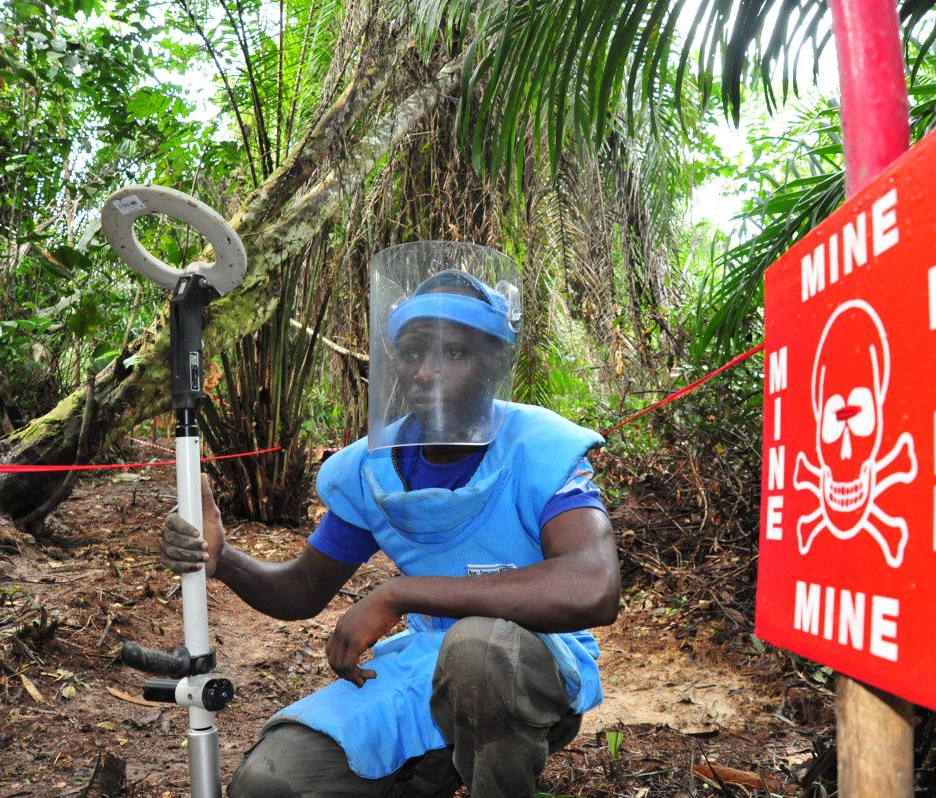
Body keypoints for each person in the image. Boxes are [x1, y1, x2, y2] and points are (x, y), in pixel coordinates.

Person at [160, 242, 621, 797]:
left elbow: (592, 586)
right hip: (427, 666)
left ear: (497, 361)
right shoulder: (372, 469)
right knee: (270, 784)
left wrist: (399, 594)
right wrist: (223, 560)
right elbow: (304, 590)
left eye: (454, 354)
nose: (426, 372)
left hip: (532, 668)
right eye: (411, 353)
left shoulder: (540, 447)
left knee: (477, 652)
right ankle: (431, 765)